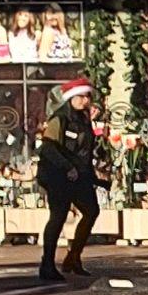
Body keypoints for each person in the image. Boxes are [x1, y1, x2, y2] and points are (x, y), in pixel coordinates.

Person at [31, 85, 103, 282]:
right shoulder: (59, 119)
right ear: (71, 97)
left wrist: (92, 176)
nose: (86, 100)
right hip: (58, 176)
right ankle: (47, 264)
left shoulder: (84, 119)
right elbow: (48, 148)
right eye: (82, 96)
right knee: (58, 216)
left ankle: (73, 257)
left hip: (79, 176)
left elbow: (86, 150)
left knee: (91, 211)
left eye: (88, 97)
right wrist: (67, 166)